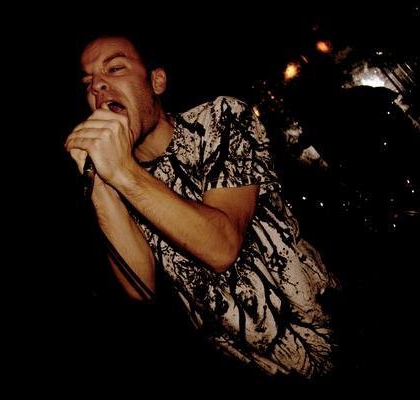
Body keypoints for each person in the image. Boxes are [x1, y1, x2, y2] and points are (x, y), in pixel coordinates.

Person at [64, 33, 339, 380]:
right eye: (87, 82)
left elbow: (222, 245)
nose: (97, 86)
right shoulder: (121, 176)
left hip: (329, 335)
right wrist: (101, 186)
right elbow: (140, 287)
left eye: (115, 68)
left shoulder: (220, 119)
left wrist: (122, 173)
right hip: (252, 370)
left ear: (156, 81)